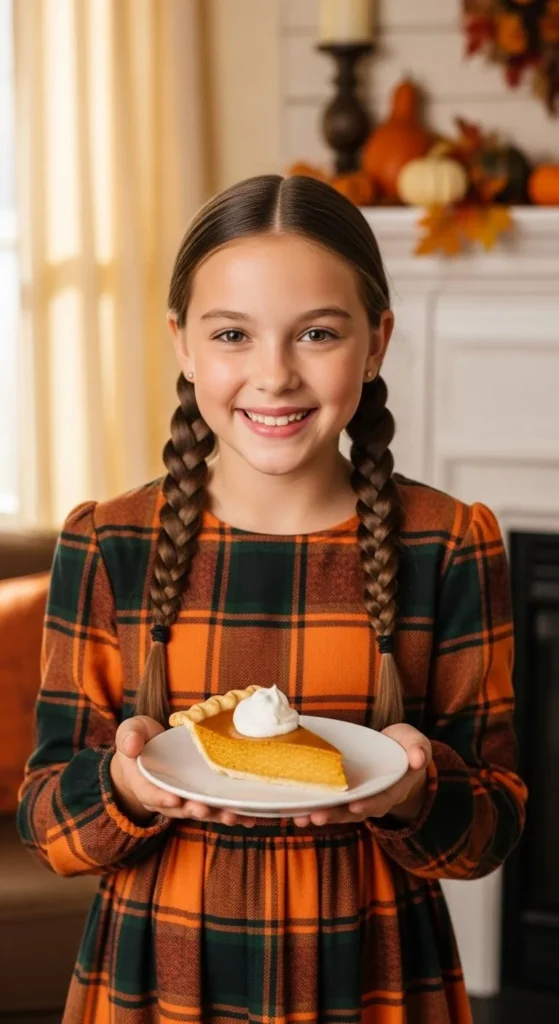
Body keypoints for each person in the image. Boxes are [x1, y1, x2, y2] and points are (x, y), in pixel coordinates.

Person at [17, 174, 527, 1024]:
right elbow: (49, 826)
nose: (274, 374)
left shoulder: (448, 542)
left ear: (375, 342)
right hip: (159, 973)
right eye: (233, 334)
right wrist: (126, 783)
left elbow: (492, 829)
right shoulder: (109, 542)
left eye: (317, 333)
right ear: (184, 343)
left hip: (373, 973)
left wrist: (412, 791)